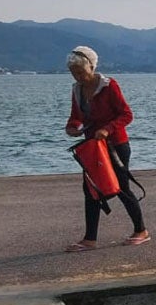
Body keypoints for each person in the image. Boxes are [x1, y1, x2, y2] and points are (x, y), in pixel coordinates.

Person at [64, 46, 150, 251]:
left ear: (92, 67)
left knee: (120, 187)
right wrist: (72, 127)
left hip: (115, 145)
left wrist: (107, 129)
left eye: (81, 72)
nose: (78, 77)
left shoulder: (109, 86)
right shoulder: (77, 89)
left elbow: (126, 115)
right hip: (93, 147)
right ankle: (90, 239)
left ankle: (141, 230)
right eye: (74, 73)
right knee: (91, 189)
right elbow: (76, 116)